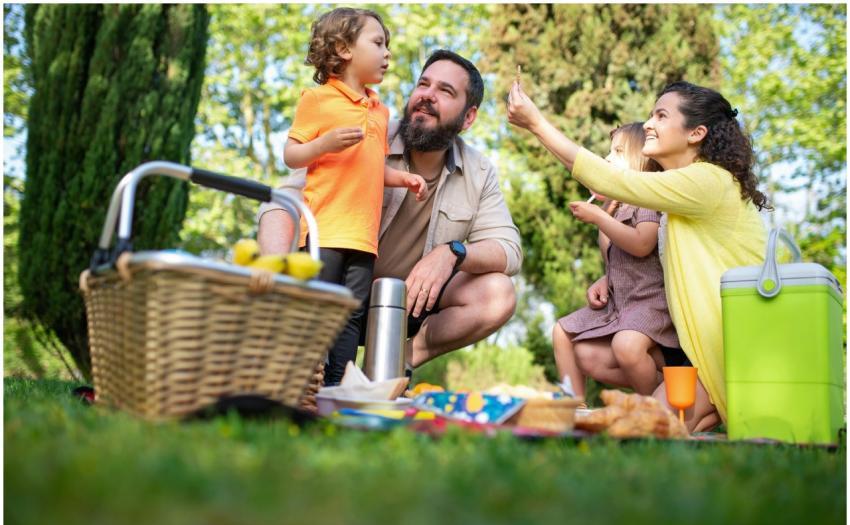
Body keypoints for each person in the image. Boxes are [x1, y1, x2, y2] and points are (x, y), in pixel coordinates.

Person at [507, 80, 768, 432]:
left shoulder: (707, 181)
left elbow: (608, 180)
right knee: (590, 357)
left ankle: (699, 408)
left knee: (642, 431)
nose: (648, 123)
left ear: (696, 133)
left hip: (725, 353)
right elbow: (659, 256)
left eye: (661, 115)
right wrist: (609, 276)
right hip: (695, 352)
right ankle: (677, 398)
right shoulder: (685, 193)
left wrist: (536, 123)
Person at [260, 49, 523, 380]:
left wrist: (453, 253)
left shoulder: (479, 171)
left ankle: (389, 370)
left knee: (498, 293)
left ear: (468, 117)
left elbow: (509, 249)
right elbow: (283, 200)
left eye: (445, 91)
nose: (427, 96)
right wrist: (276, 277)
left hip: (405, 307)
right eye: (423, 84)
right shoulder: (366, 130)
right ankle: (302, 365)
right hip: (331, 290)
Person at [282, 7, 427, 385]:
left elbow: (372, 166)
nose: (387, 53)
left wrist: (402, 179)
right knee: (318, 311)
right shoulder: (317, 99)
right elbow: (291, 154)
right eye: (378, 43)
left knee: (351, 315)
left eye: (387, 45)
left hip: (363, 238)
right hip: (324, 232)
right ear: (344, 48)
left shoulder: (380, 111)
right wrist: (324, 143)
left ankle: (336, 387)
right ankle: (299, 384)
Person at [553, 123, 682, 402]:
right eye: (609, 152)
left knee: (626, 347)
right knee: (564, 334)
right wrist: (605, 277)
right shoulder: (615, 206)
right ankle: (573, 408)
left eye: (618, 152)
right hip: (622, 303)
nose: (608, 159)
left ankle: (661, 408)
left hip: (649, 301)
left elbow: (641, 244)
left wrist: (600, 219)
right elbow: (617, 258)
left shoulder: (645, 199)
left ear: (641, 160)